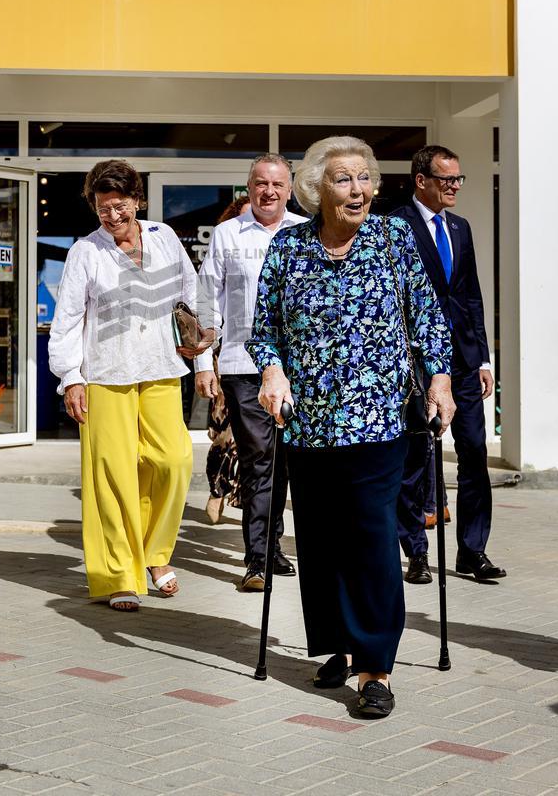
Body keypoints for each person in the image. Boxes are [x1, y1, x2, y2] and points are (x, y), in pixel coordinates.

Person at [247, 136, 454, 718]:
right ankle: (334, 645)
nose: (359, 189)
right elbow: (264, 328)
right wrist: (271, 369)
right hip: (309, 421)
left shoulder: (392, 241)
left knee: (369, 539)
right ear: (317, 189)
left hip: (377, 420)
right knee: (319, 541)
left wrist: (439, 381)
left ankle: (373, 667)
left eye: (365, 178)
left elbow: (428, 318)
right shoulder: (288, 248)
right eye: (344, 179)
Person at [49, 160, 216, 612]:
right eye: (103, 208)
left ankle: (154, 552)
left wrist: (204, 351)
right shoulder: (86, 252)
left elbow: (192, 296)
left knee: (174, 461)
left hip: (161, 366)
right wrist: (71, 379)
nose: (113, 216)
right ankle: (117, 574)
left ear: (137, 200)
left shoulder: (164, 238)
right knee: (112, 477)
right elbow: (66, 322)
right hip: (105, 375)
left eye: (120, 206)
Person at [395, 145, 506, 584]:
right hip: (418, 359)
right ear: (422, 180)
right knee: (417, 458)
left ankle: (472, 550)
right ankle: (417, 551)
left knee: (475, 453)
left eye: (459, 179)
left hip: (462, 359)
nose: (455, 186)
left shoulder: (460, 228)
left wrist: (482, 358)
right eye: (447, 179)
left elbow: (471, 294)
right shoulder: (395, 226)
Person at [195, 155, 307, 590]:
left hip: (300, 372)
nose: (269, 191)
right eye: (261, 183)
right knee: (260, 460)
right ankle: (256, 560)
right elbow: (208, 301)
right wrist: (205, 362)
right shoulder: (228, 234)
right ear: (249, 187)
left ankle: (276, 546)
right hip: (245, 367)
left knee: (289, 464)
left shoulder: (305, 233)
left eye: (277, 184)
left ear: (290, 188)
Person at [204, 197, 250, 524]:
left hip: (263, 361)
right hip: (228, 354)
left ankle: (237, 493)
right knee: (225, 433)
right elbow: (207, 301)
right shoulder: (225, 246)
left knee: (249, 439)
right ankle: (218, 488)